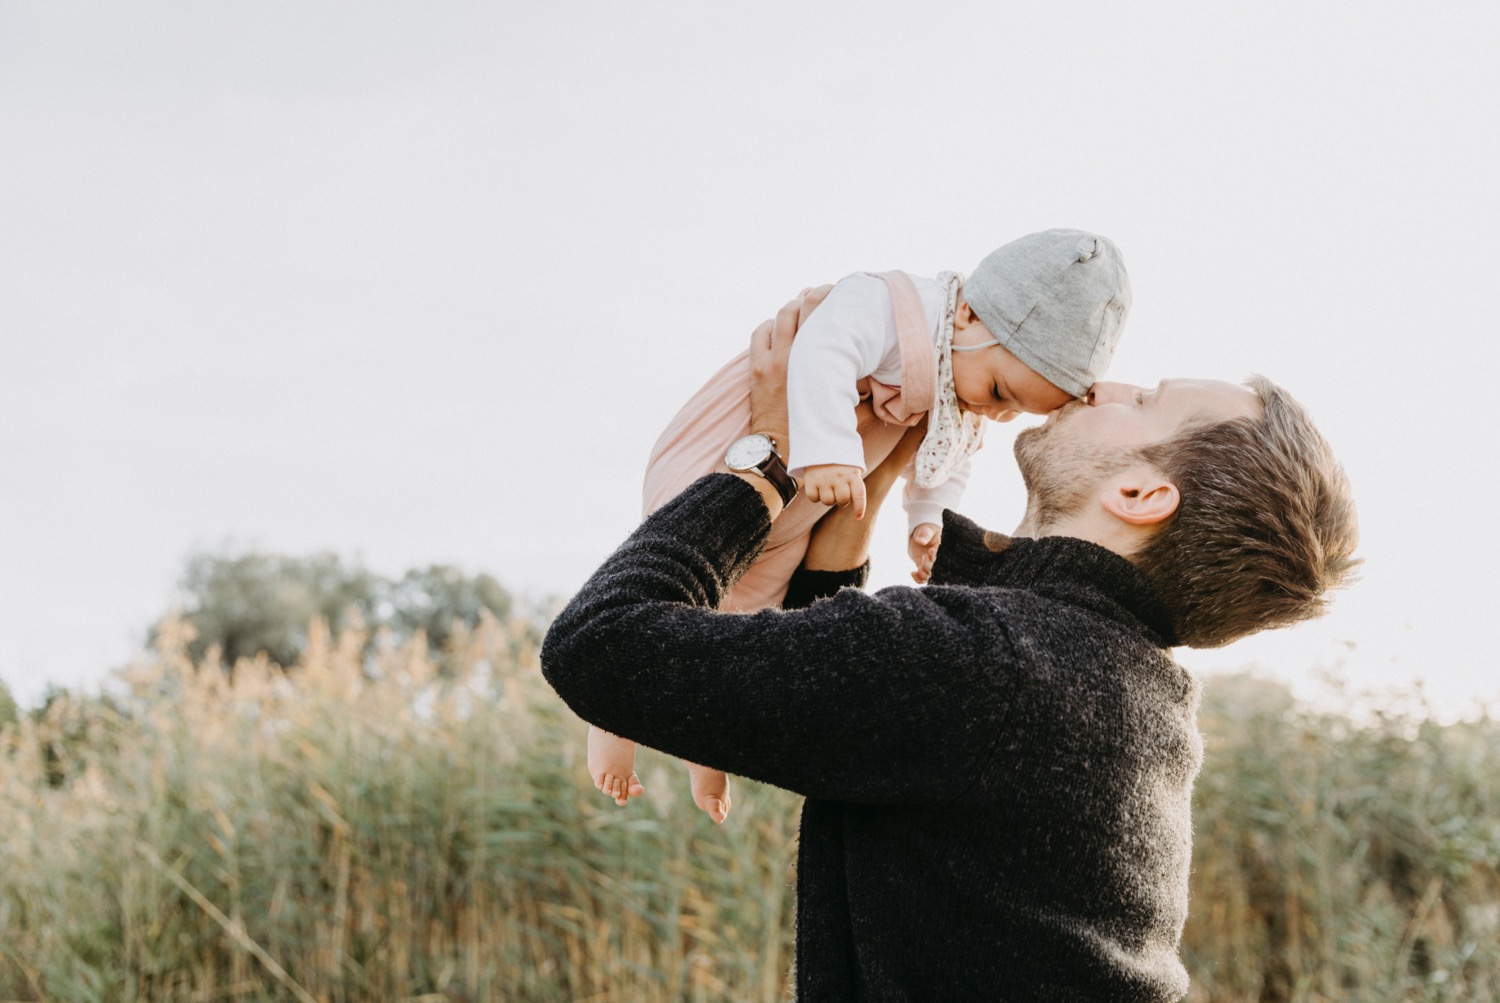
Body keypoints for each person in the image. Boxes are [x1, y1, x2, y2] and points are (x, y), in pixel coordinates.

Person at [540, 291, 1359, 1001]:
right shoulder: (1124, 688)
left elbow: (597, 645)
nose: (1097, 381)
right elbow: (861, 707)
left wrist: (764, 460)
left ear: (1141, 493)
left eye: (1142, 399)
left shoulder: (987, 662)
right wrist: (868, 490)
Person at [591, 228, 1133, 823]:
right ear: (971, 314)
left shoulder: (965, 386)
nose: (996, 414)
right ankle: (609, 718)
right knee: (683, 569)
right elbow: (823, 350)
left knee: (749, 613)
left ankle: (705, 740)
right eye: (1001, 391)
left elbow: (948, 461)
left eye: (1017, 410)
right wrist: (826, 450)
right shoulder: (894, 307)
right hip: (734, 450)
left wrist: (926, 521)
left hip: (801, 509)